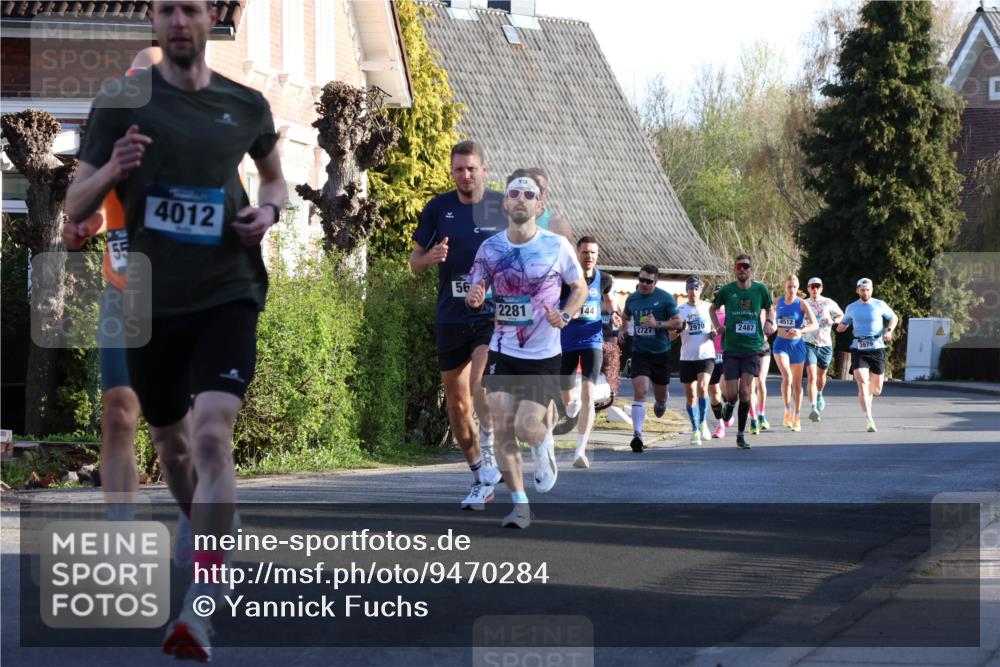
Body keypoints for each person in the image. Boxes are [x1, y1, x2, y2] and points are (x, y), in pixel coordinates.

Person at [65, 2, 287, 659]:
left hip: (228, 293)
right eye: (167, 11)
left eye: (190, 8)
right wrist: (113, 169)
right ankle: (203, 516)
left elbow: (274, 180)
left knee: (214, 435)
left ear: (209, 18)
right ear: (154, 25)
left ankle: (199, 610)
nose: (180, 21)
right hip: (151, 307)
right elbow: (76, 205)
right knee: (173, 445)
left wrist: (267, 214)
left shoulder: (246, 105)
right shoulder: (118, 107)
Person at [60, 46, 162, 515]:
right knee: (119, 415)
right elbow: (93, 206)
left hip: (184, 301)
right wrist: (86, 224)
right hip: (122, 295)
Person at [466, 172, 587, 528]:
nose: (520, 198)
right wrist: (475, 295)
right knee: (501, 423)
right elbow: (477, 284)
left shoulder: (556, 246)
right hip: (504, 349)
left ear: (539, 204)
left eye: (528, 194)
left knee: (527, 425)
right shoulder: (490, 248)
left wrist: (565, 313)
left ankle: (543, 441)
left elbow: (578, 288)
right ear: (505, 202)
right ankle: (519, 504)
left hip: (543, 354)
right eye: (514, 193)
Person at [410, 140, 507, 510]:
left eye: (471, 169)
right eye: (458, 170)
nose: (465, 176)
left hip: (490, 316)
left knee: (479, 385)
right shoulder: (438, 209)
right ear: (452, 172)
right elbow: (415, 261)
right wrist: (430, 257)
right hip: (450, 316)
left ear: (484, 170)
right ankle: (480, 472)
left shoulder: (502, 208)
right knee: (457, 403)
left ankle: (492, 462)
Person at [555, 236, 615, 469]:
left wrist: (614, 312)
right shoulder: (565, 279)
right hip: (567, 342)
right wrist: (568, 311)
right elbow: (552, 303)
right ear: (577, 254)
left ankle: (580, 450)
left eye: (593, 253)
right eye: (585, 252)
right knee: (569, 402)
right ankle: (573, 404)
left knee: (589, 396)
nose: (589, 256)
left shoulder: (604, 279)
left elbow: (609, 300)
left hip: (593, 340)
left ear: (597, 255)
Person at [709, 254, 776, 450]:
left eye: (745, 266)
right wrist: (717, 327)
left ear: (751, 269)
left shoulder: (760, 289)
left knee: (745, 393)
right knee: (731, 395)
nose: (742, 269)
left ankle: (740, 434)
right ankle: (729, 406)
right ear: (734, 269)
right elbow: (713, 309)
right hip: (730, 347)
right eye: (738, 266)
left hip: (752, 348)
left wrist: (769, 323)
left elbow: (770, 309)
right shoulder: (728, 291)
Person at [619, 265, 683, 452]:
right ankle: (637, 435)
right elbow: (625, 316)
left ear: (655, 282)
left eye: (648, 281)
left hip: (660, 353)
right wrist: (623, 330)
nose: (643, 284)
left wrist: (658, 324)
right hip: (640, 352)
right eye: (641, 280)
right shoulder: (633, 298)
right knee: (640, 392)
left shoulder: (664, 298)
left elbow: (678, 322)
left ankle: (662, 401)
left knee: (660, 395)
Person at [836, 278, 898, 432]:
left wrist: (889, 330)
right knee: (862, 383)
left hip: (877, 347)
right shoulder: (851, 307)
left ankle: (869, 394)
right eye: (862, 290)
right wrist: (841, 327)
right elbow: (843, 324)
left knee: (876, 390)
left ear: (872, 290)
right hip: (858, 348)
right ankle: (869, 419)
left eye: (868, 289)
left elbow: (893, 317)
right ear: (858, 290)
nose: (865, 292)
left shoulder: (880, 304)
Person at [671, 277, 716, 445]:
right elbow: (670, 336)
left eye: (696, 289)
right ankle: (695, 428)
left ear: (700, 290)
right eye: (690, 288)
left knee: (703, 388)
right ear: (686, 291)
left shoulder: (708, 308)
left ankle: (703, 423)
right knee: (691, 396)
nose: (693, 291)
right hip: (687, 357)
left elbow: (714, 326)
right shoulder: (679, 310)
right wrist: (679, 329)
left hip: (706, 355)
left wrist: (714, 332)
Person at [771, 275, 818, 432]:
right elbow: (765, 315)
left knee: (797, 384)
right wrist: (768, 326)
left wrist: (800, 330)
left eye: (794, 287)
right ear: (785, 286)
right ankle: (787, 410)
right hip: (780, 345)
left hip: (797, 345)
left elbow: (814, 324)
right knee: (787, 377)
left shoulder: (802, 303)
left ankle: (797, 416)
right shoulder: (777, 302)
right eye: (789, 286)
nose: (792, 289)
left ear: (798, 288)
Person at [803, 277, 843, 421]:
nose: (815, 289)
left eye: (817, 286)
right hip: (808, 343)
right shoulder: (804, 303)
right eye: (812, 287)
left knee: (821, 376)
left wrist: (832, 321)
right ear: (808, 288)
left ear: (821, 288)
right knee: (812, 376)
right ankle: (813, 407)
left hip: (825, 344)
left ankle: (819, 394)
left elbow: (841, 315)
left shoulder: (828, 302)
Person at [707, 285, 733, 438]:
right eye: (716, 295)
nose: (718, 298)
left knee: (725, 389)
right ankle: (720, 425)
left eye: (721, 295)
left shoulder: (730, 312)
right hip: (710, 356)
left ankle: (728, 410)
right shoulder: (708, 312)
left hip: (726, 354)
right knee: (714, 393)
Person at [527, 167, 573, 241]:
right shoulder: (508, 220)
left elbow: (570, 252)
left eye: (539, 188)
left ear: (545, 193)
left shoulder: (557, 225)